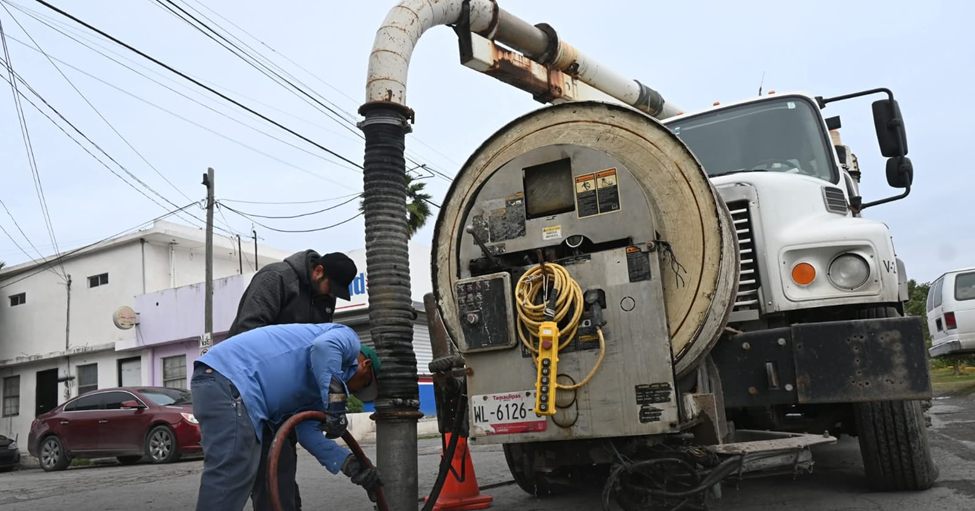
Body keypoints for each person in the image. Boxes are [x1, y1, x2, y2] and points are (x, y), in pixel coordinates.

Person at [192, 323, 383, 511]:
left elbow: (308, 434)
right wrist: (336, 401)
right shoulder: (348, 337)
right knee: (229, 477)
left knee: (244, 477)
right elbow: (324, 347)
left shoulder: (316, 391)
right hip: (230, 378)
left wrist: (350, 463)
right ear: (364, 365)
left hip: (229, 386)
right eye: (363, 385)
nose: (356, 391)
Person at [225, 249, 357, 510]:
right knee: (269, 472)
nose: (332, 296)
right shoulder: (276, 278)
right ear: (318, 271)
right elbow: (247, 334)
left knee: (281, 472)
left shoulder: (323, 299)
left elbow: (315, 352)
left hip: (284, 399)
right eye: (331, 288)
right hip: (250, 389)